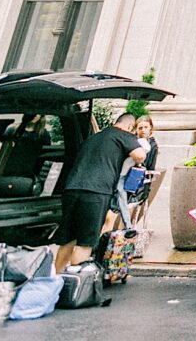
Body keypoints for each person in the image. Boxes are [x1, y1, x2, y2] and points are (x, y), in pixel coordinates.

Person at [54, 112, 146, 275]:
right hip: (96, 192)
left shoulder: (94, 137)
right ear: (129, 126)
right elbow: (140, 155)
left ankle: (55, 279)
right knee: (85, 241)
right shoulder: (123, 135)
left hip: (71, 189)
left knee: (68, 239)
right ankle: (76, 282)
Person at [118, 114, 159, 230]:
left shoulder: (152, 145)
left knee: (131, 206)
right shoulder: (132, 141)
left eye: (146, 127)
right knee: (123, 205)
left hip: (139, 179)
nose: (143, 130)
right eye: (140, 128)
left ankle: (127, 230)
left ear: (151, 128)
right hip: (126, 175)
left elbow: (151, 165)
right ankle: (125, 230)